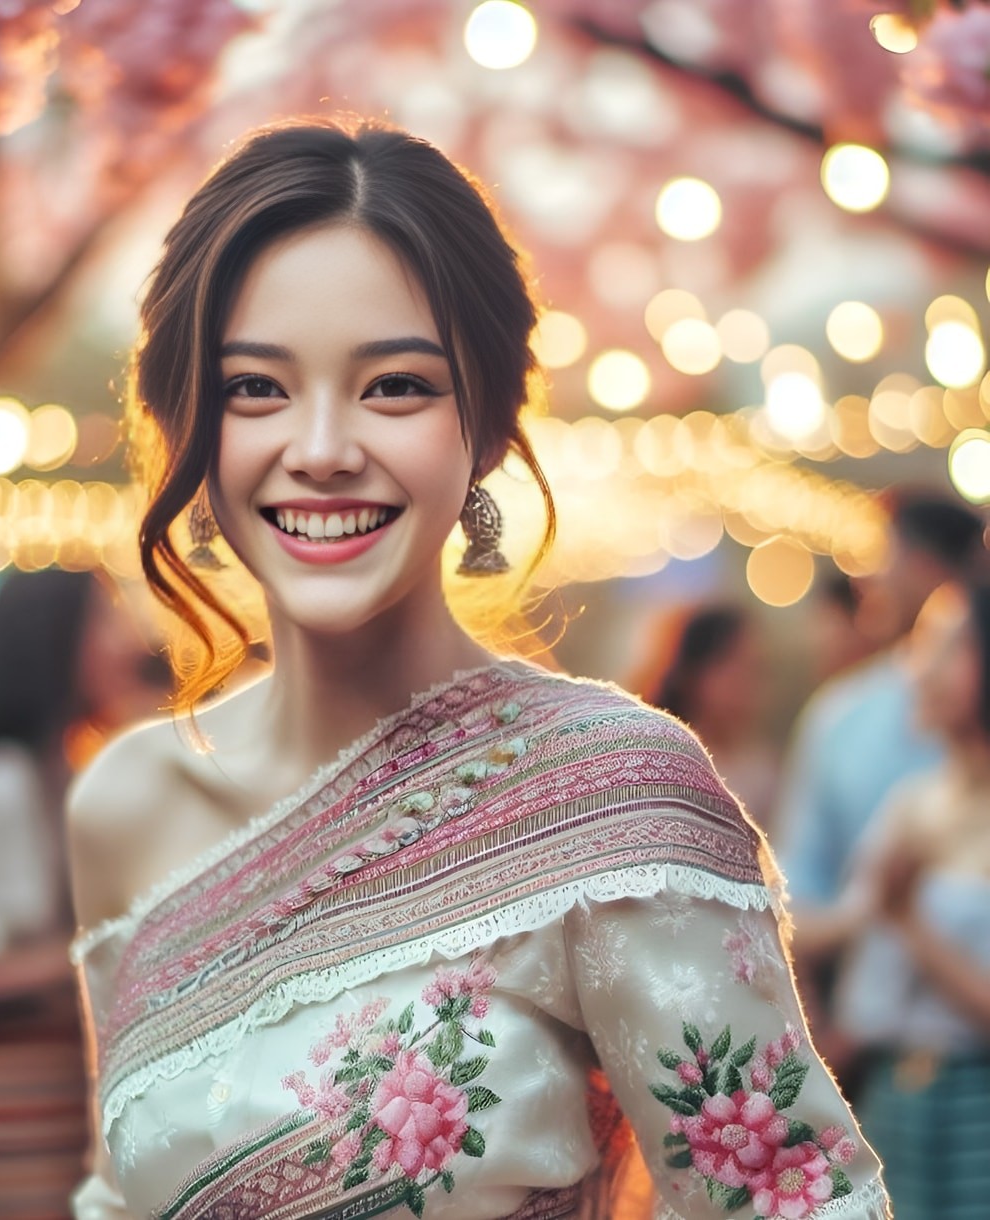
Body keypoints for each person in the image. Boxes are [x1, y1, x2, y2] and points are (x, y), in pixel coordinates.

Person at [67, 118, 890, 1220]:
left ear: (489, 424)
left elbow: (795, 1199)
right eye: (255, 388)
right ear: (187, 427)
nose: (320, 447)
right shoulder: (121, 807)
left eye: (394, 386)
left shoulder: (614, 794)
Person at [0, 568, 162, 1220]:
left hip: (46, 1121)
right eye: (106, 620)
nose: (127, 640)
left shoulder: (62, 771)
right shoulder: (6, 782)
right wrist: (108, 945)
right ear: (59, 639)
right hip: (6, 1127)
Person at [833, 580, 990, 1218]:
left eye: (944, 648)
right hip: (892, 1100)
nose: (919, 668)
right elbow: (847, 926)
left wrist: (910, 922)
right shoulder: (914, 803)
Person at [628, 603, 779, 830]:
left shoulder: (763, 771)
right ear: (692, 670)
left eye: (754, 668)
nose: (744, 684)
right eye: (731, 665)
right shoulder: (660, 763)